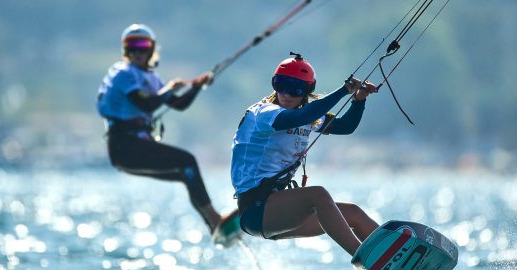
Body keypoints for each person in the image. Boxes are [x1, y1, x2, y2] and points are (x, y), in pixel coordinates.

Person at [97, 23, 240, 246]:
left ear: (151, 49)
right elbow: (146, 103)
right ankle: (215, 220)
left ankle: (215, 227)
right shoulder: (123, 74)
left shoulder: (151, 78)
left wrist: (196, 87)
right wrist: (170, 90)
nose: (137, 52)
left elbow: (178, 104)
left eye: (142, 46)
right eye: (131, 47)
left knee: (186, 171)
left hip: (135, 147)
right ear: (125, 50)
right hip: (124, 147)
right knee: (187, 160)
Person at [231, 52, 380, 255]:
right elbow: (301, 116)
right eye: (281, 85)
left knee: (353, 213)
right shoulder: (263, 113)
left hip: (281, 209)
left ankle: (394, 257)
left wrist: (359, 100)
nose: (286, 94)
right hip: (256, 211)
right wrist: (344, 90)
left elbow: (345, 126)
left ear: (306, 91)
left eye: (295, 89)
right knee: (317, 194)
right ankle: (366, 259)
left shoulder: (308, 117)